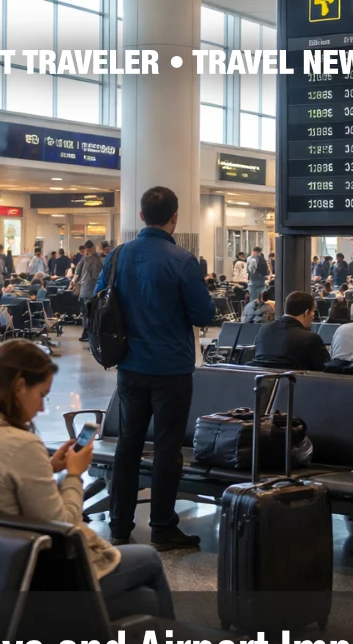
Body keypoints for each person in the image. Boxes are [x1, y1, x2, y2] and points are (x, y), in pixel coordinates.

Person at [0, 340, 173, 620]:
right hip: (20, 576)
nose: (42, 408)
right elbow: (64, 526)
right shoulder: (19, 443)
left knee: (143, 600)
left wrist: (47, 468)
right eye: (42, 394)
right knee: (148, 560)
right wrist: (74, 474)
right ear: (18, 387)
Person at [96, 187, 214, 549]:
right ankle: (162, 528)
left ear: (142, 216)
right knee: (166, 448)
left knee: (128, 445)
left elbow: (100, 298)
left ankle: (118, 526)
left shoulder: (118, 256)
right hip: (171, 369)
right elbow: (203, 314)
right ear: (174, 217)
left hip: (129, 366)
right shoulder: (182, 260)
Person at [253, 291, 330, 370]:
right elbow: (326, 369)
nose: (313, 316)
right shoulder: (311, 338)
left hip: (262, 380)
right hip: (297, 381)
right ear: (306, 313)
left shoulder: (264, 330)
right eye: (313, 311)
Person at [75, 241, 103, 342]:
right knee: (93, 312)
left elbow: (77, 274)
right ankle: (90, 333)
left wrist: (72, 283)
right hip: (95, 290)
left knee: (87, 313)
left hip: (88, 290)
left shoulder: (85, 259)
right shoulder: (99, 259)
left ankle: (88, 333)